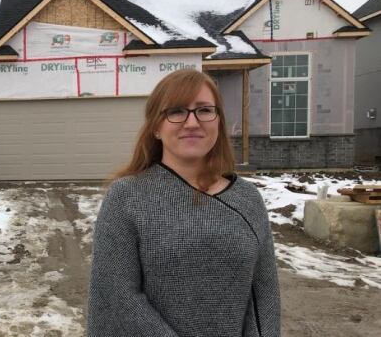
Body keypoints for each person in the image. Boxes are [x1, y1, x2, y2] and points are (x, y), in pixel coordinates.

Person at [87, 69, 280, 337]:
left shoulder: (247, 200)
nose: (192, 123)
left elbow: (264, 294)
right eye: (176, 112)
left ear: (218, 121)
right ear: (156, 126)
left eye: (204, 110)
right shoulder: (127, 197)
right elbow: (117, 296)